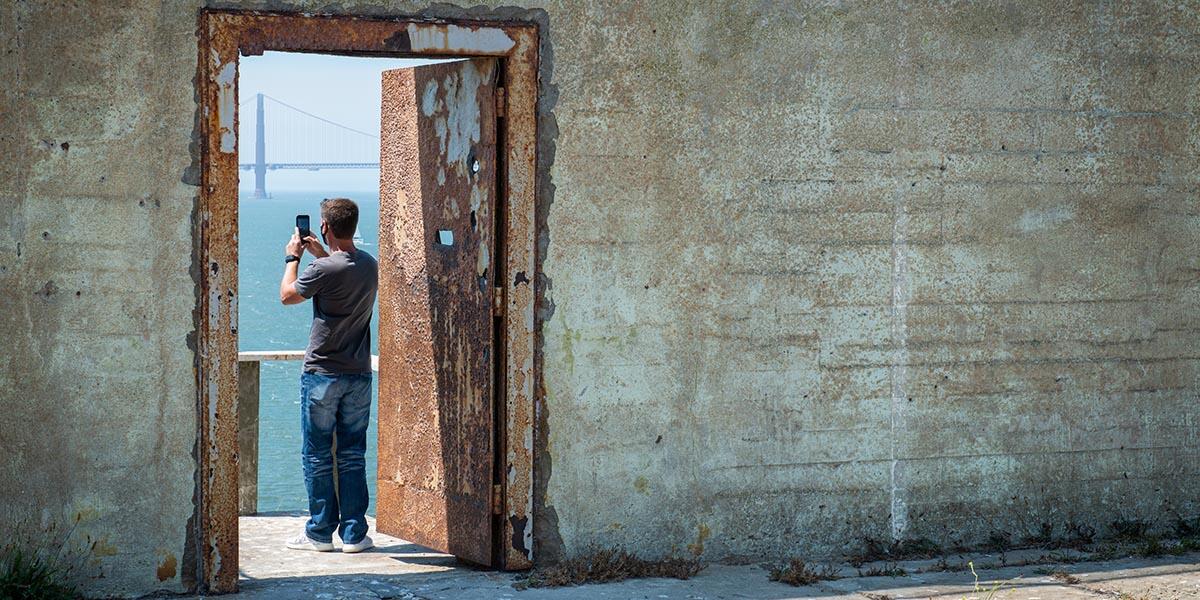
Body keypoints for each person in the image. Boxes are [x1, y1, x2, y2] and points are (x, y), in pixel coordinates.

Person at [279, 197, 378, 553]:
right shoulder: (369, 265)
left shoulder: (323, 270)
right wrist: (324, 253)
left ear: (324, 226)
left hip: (322, 373)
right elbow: (341, 270)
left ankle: (319, 533)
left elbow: (288, 295)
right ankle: (354, 535)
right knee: (352, 454)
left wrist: (294, 256)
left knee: (318, 455)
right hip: (359, 375)